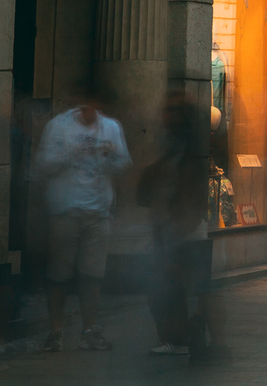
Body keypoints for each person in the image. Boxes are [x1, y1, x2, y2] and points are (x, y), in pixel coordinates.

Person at [34, 82, 132, 351]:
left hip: (98, 211)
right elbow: (42, 164)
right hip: (66, 209)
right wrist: (70, 153)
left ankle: (90, 329)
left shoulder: (110, 127)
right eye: (86, 104)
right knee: (59, 274)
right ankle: (56, 331)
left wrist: (112, 155)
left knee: (92, 274)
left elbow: (124, 163)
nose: (91, 109)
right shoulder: (59, 126)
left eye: (95, 105)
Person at [138, 95, 221, 358]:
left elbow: (192, 202)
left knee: (179, 287)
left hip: (183, 232)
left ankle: (182, 338)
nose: (167, 116)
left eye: (173, 111)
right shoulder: (170, 149)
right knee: (168, 287)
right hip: (170, 231)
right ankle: (180, 337)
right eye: (166, 110)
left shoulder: (188, 154)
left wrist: (175, 236)